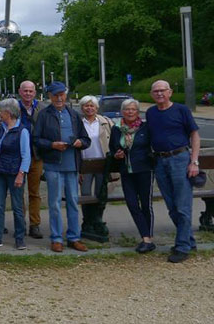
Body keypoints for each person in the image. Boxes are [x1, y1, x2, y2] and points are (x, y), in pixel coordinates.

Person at [33, 82, 90, 253]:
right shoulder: (44, 115)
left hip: (72, 166)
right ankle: (56, 238)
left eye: (62, 94)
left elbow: (86, 139)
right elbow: (36, 139)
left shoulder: (74, 114)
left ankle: (74, 237)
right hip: (53, 166)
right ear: (49, 96)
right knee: (55, 203)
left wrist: (80, 142)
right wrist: (52, 145)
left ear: (66, 95)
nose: (59, 98)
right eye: (55, 95)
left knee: (73, 202)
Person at [147, 80, 200, 263]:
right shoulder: (151, 113)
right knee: (171, 206)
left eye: (163, 90)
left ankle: (182, 246)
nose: (159, 93)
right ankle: (189, 239)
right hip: (160, 161)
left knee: (183, 206)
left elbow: (194, 135)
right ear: (152, 94)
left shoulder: (181, 110)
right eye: (156, 91)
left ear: (170, 92)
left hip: (180, 159)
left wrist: (194, 161)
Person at [109, 98, 155, 253]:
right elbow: (112, 148)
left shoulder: (145, 127)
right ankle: (146, 236)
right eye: (127, 109)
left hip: (144, 170)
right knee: (132, 204)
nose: (130, 112)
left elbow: (151, 146)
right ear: (122, 112)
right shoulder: (116, 128)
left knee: (145, 204)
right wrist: (117, 154)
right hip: (126, 171)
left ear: (137, 112)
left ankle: (147, 238)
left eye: (133, 109)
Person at [0, 99, 31, 250]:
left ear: (9, 113)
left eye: (2, 112)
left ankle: (20, 237)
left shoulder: (22, 131)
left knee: (17, 206)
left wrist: (21, 174)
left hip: (14, 172)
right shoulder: (1, 129)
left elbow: (26, 155)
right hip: (0, 171)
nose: (0, 114)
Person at [78, 95, 113, 238]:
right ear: (82, 108)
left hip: (102, 163)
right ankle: (87, 222)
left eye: (92, 106)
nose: (89, 108)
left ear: (97, 108)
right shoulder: (78, 123)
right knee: (85, 194)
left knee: (101, 194)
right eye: (86, 105)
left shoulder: (106, 122)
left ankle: (97, 220)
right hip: (85, 164)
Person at [18, 80, 45, 239]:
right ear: (20, 92)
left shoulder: (42, 108)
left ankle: (35, 225)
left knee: (34, 193)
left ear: (34, 93)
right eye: (25, 91)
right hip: (19, 157)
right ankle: (20, 224)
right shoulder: (14, 108)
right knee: (18, 193)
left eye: (31, 91)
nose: (28, 93)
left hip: (36, 156)